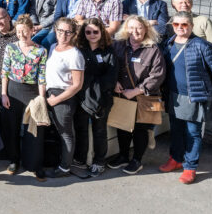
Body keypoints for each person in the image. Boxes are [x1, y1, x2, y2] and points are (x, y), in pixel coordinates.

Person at [160, 11, 212, 184]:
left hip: (193, 97)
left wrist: (207, 92)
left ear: (191, 25)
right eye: (176, 25)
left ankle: (190, 167)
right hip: (173, 95)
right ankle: (176, 159)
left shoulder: (202, 45)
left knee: (193, 133)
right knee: (175, 129)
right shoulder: (169, 43)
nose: (180, 28)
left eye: (184, 25)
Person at [109, 15, 165, 175]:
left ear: (146, 29)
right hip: (122, 95)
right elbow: (111, 66)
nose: (135, 31)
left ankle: (137, 160)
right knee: (122, 127)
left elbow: (158, 75)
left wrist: (136, 90)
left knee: (141, 130)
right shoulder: (118, 45)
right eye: (131, 27)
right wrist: (114, 82)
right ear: (126, 29)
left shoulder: (153, 49)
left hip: (144, 96)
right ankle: (123, 156)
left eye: (139, 28)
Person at [0, 14, 47, 177]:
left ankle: (34, 163)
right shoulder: (11, 48)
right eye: (18, 32)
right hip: (13, 91)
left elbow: (42, 77)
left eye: (25, 31)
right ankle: (14, 160)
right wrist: (4, 94)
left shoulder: (41, 50)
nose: (21, 35)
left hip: (32, 93)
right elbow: (5, 72)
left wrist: (41, 99)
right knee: (11, 128)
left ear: (32, 30)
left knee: (34, 130)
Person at [73, 18, 118, 177]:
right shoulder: (78, 49)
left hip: (101, 99)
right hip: (81, 98)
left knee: (100, 130)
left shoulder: (109, 51)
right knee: (81, 130)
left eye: (95, 32)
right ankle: (79, 159)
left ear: (101, 32)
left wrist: (93, 85)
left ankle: (99, 161)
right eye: (88, 32)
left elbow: (111, 77)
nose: (92, 35)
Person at [44, 17, 85, 179]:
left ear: (74, 34)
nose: (63, 35)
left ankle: (65, 168)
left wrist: (57, 100)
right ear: (56, 30)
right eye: (61, 31)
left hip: (63, 97)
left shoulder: (75, 54)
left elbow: (77, 85)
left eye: (68, 32)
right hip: (50, 93)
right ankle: (57, 160)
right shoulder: (53, 47)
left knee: (66, 134)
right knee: (56, 132)